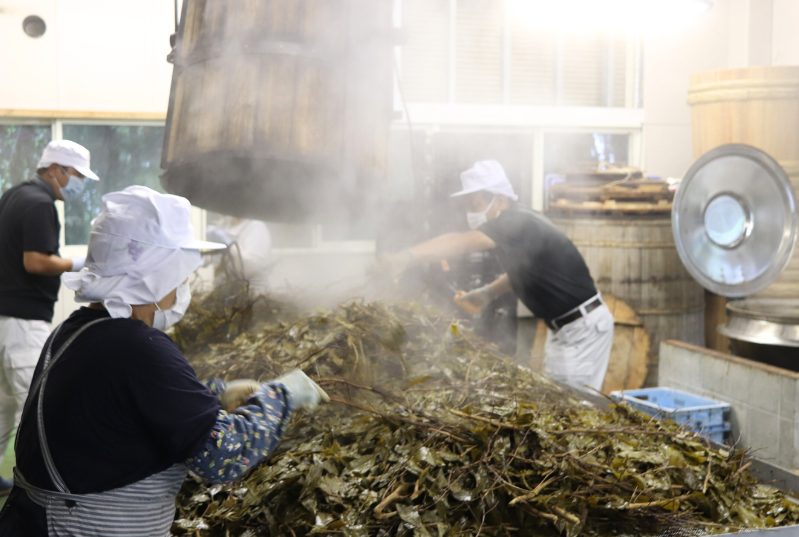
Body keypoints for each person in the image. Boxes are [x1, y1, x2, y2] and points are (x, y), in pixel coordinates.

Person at [0, 186, 329, 536]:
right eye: (180, 276)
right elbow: (223, 456)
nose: (184, 285)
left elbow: (123, 408)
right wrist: (281, 395)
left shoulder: (75, 330)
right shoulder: (139, 348)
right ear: (154, 276)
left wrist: (214, 394)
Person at [375, 160, 614, 391]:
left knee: (576, 401)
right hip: (567, 327)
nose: (471, 213)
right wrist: (488, 293)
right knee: (563, 396)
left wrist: (405, 256)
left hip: (582, 329)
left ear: (500, 200)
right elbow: (524, 272)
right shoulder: (518, 223)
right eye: (468, 206)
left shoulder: (516, 221)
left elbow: (460, 242)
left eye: (476, 205)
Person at [0, 140, 98, 494]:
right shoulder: (40, 203)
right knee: (38, 406)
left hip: (4, 317)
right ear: (55, 169)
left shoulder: (13, 195)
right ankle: (43, 490)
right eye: (76, 175)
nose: (78, 184)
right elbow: (36, 261)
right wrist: (80, 263)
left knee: (3, 406)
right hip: (24, 324)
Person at [207, 217, 272, 294]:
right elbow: (215, 258)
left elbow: (252, 264)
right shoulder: (223, 226)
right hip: (224, 292)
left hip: (252, 293)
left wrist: (229, 243)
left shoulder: (256, 227)